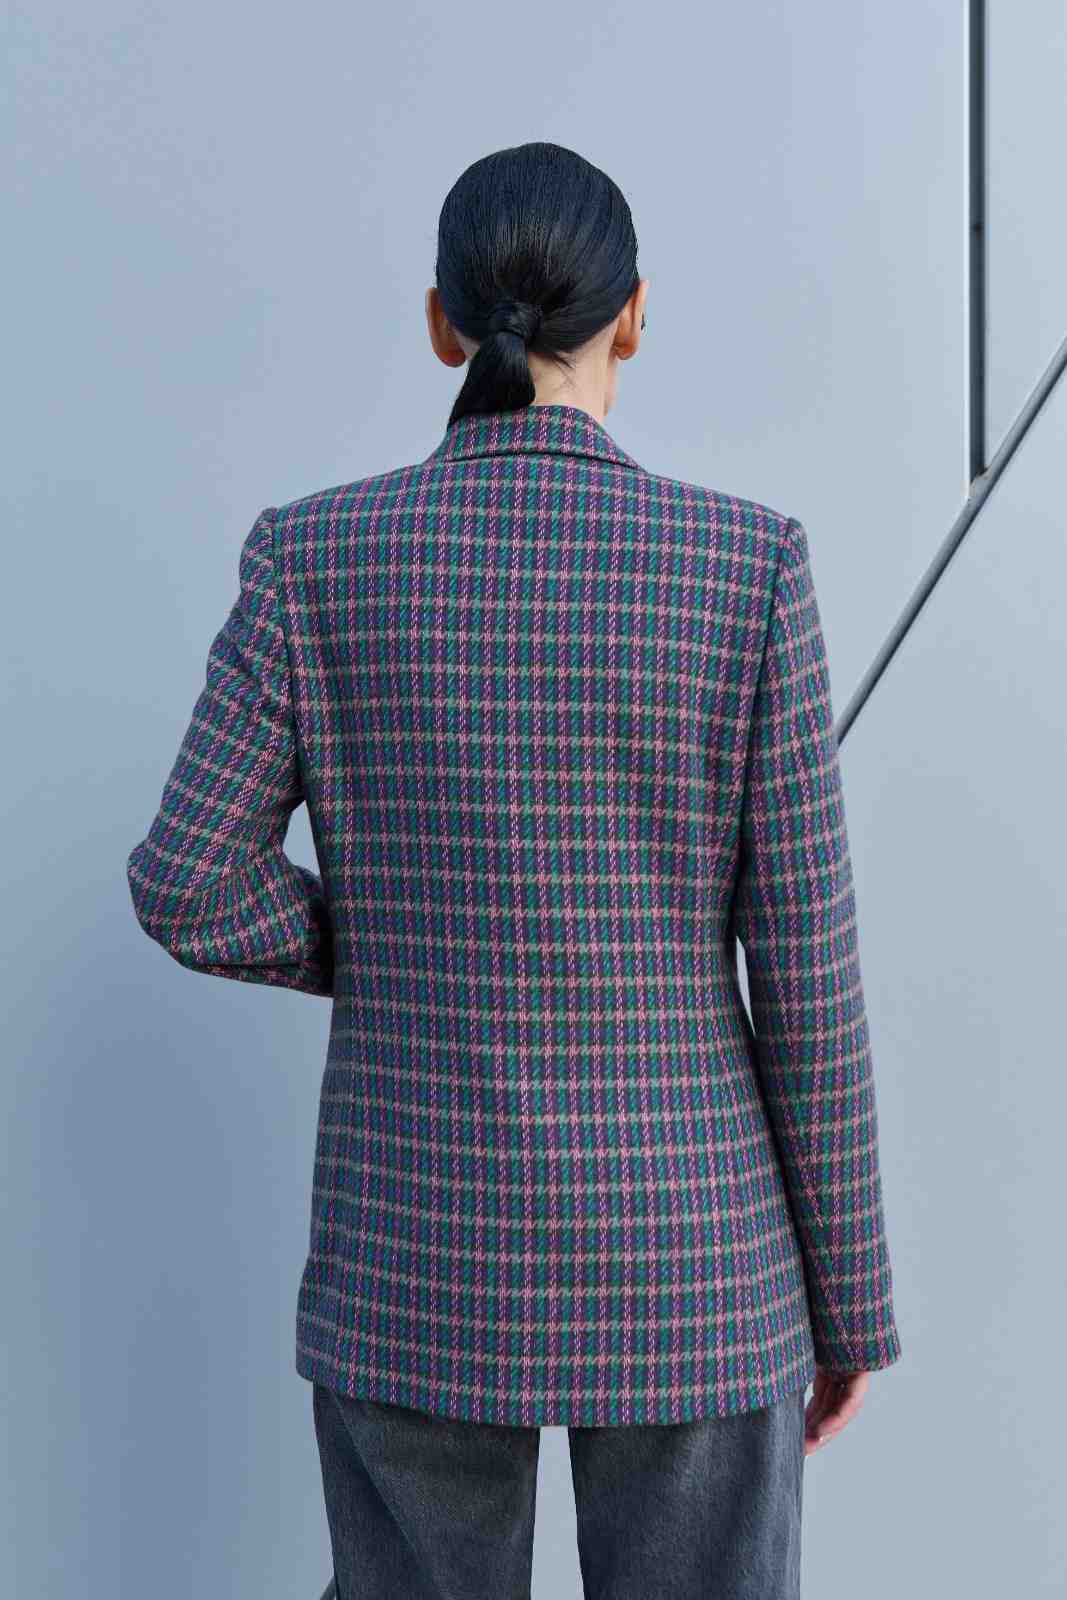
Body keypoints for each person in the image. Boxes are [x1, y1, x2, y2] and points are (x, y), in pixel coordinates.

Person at [126, 140, 903, 1599]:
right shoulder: (744, 568)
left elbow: (189, 880)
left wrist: (395, 938)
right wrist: (850, 1299)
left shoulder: (314, 557)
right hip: (691, 1262)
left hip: (416, 1257)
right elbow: (809, 980)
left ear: (442, 322)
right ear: (636, 318)